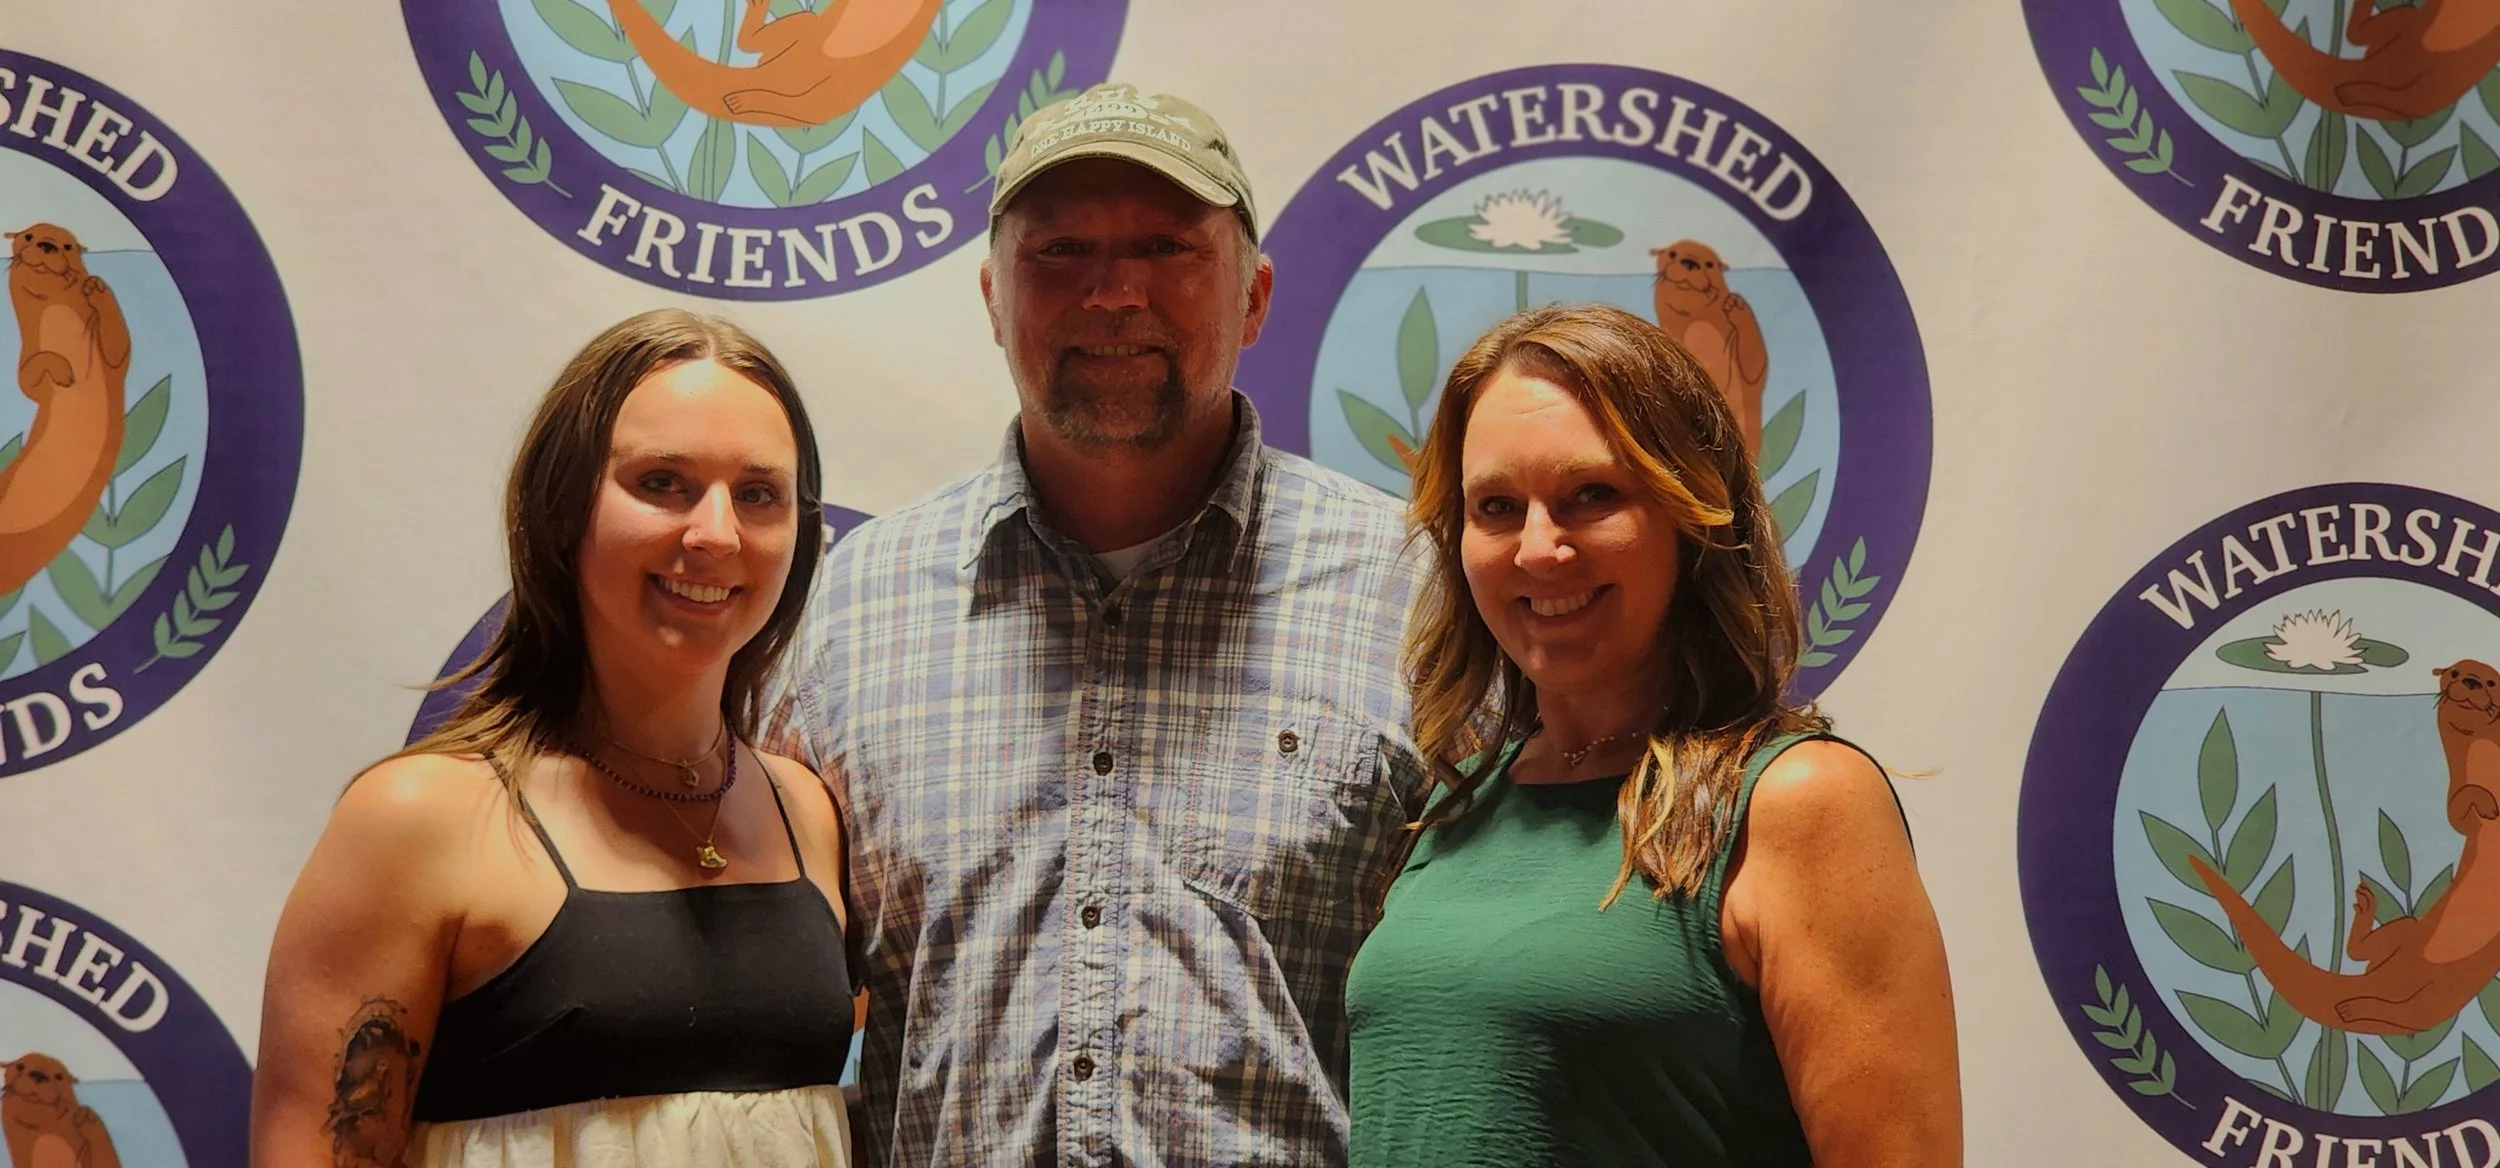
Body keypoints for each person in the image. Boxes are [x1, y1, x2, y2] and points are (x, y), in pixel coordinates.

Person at [764, 83, 1425, 1167]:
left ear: (1254, 297)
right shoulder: (852, 602)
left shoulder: (1413, 592)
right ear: (991, 296)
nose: (1114, 294)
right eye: (1060, 251)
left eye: (1166, 247)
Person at [1346, 303, 1961, 1166]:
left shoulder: (1796, 800)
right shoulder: (1462, 802)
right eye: (1496, 506)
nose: (1539, 548)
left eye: (1591, 495)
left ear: (1694, 515)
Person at [251, 309, 858, 1168]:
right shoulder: (418, 819)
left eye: (757, 494)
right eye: (662, 482)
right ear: (561, 507)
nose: (715, 533)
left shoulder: (807, 810)